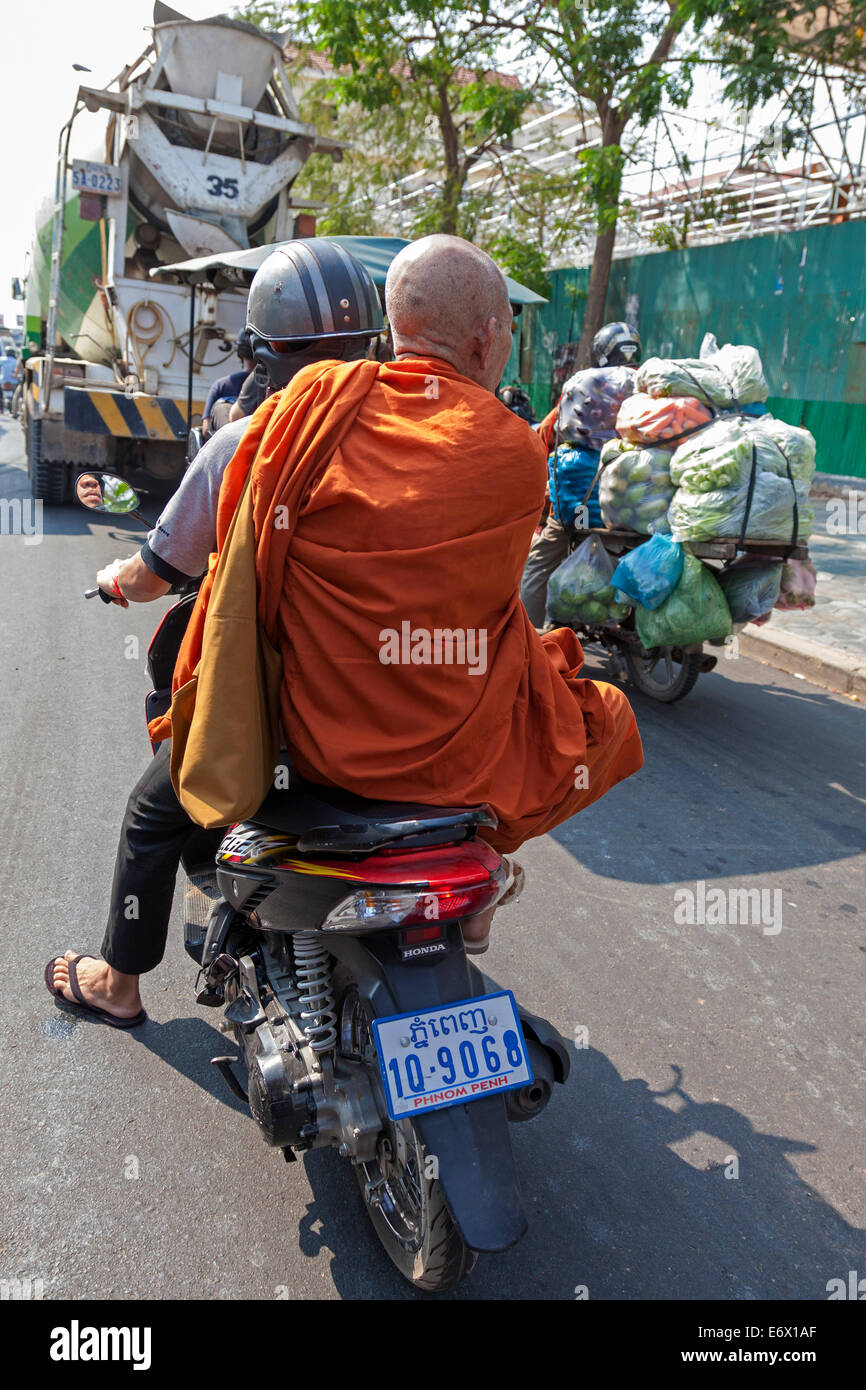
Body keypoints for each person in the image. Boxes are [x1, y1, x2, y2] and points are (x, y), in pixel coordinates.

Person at [159, 235, 644, 951]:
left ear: (392, 333)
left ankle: (123, 975)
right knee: (593, 705)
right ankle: (488, 867)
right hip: (451, 757)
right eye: (506, 332)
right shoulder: (513, 452)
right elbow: (483, 603)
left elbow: (249, 550)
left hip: (309, 738)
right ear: (486, 342)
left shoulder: (310, 407)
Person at [45, 238, 385, 1024]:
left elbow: (155, 572)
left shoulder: (245, 444)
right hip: (411, 702)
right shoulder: (419, 448)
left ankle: (117, 985)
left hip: (288, 721)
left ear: (264, 353)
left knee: (150, 812)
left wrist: (114, 581)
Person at [520, 322, 642, 628]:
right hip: (636, 507)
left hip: (582, 503)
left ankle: (528, 636)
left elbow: (550, 430)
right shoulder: (647, 386)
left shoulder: (587, 384)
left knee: (541, 558)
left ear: (600, 353)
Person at [201, 329, 255, 439]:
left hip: (230, 450)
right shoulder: (274, 384)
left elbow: (206, 429)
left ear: (240, 354)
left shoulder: (220, 386)